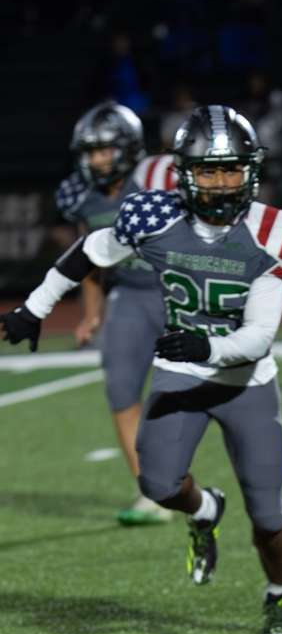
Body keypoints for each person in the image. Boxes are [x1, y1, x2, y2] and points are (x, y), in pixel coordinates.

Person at [5, 106, 282, 634]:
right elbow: (87, 251)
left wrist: (207, 346)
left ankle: (278, 594)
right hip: (180, 375)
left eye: (231, 169)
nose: (221, 183)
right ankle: (205, 508)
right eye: (208, 171)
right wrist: (35, 307)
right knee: (157, 483)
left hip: (246, 383)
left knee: (267, 512)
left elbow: (260, 335)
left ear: (252, 170)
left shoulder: (276, 233)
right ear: (184, 175)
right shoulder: (155, 216)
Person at [54, 103, 179, 524]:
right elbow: (89, 259)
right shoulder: (82, 196)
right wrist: (92, 314)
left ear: (127, 147)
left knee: (206, 389)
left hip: (179, 294)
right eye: (91, 152)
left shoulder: (157, 180)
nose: (97, 160)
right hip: (130, 295)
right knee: (121, 389)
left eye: (105, 150)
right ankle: (153, 492)